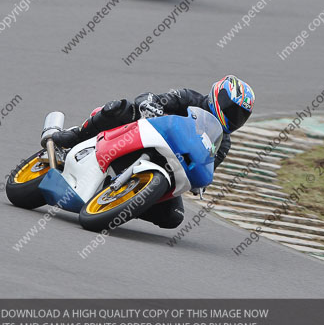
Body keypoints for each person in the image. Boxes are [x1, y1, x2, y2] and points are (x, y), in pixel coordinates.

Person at [51, 76, 255, 229]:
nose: (234, 117)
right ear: (219, 97)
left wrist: (200, 182)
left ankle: (124, 202)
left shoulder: (223, 142)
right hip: (140, 134)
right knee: (122, 107)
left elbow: (208, 163)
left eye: (240, 115)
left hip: (170, 166)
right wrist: (151, 105)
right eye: (231, 109)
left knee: (173, 217)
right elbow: (152, 98)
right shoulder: (189, 97)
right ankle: (76, 136)